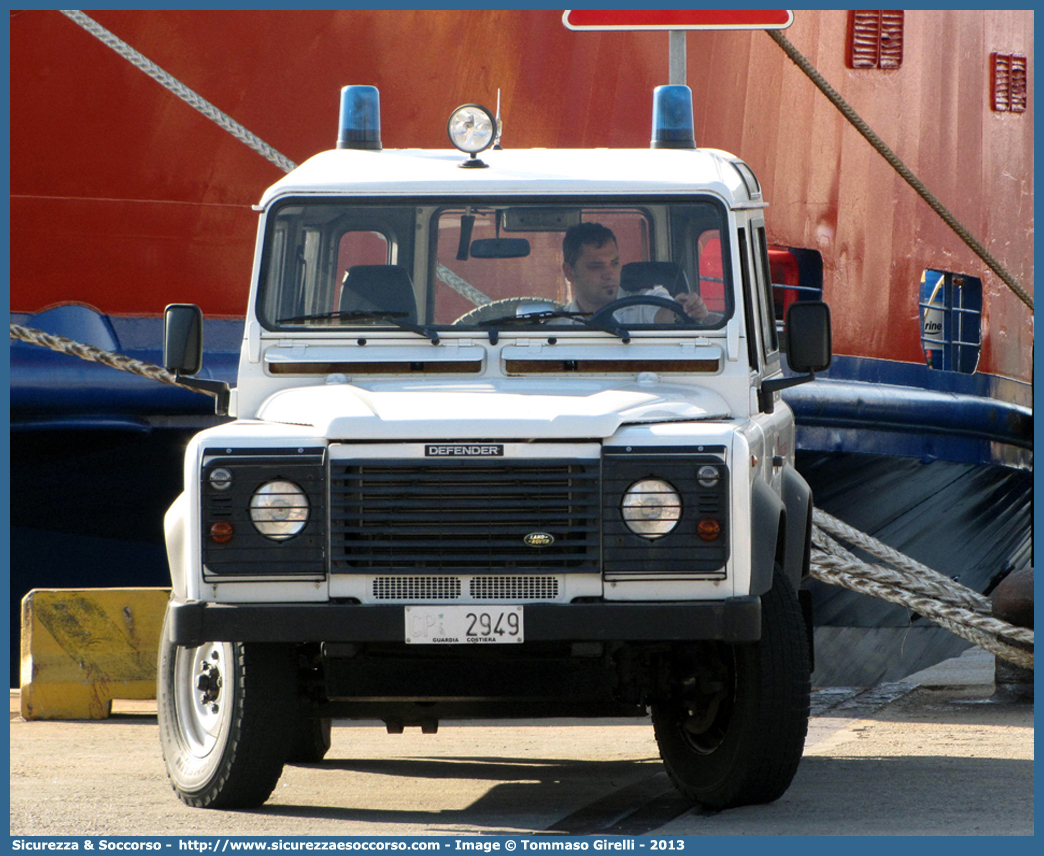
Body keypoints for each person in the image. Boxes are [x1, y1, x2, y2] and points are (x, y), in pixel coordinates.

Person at [561, 222, 709, 324]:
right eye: (596, 266)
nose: (610, 274)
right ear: (569, 272)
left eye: (615, 263)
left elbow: (665, 314)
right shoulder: (554, 327)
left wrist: (684, 310)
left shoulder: (644, 299)